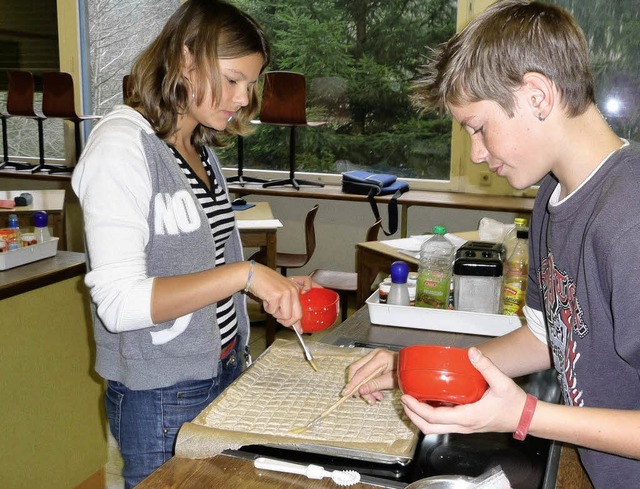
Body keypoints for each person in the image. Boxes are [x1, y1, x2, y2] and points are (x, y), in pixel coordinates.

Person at [342, 1, 640, 487]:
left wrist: (524, 415)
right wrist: (422, 367)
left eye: (479, 128)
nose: (478, 153)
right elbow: (551, 338)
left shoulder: (631, 218)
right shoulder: (551, 200)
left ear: (538, 95)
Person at [72, 1, 315, 486]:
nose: (244, 98)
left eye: (250, 83)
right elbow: (119, 304)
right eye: (232, 79)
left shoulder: (195, 146)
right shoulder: (121, 147)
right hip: (162, 392)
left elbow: (202, 265)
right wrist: (245, 275)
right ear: (186, 60)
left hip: (222, 365)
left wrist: (263, 287)